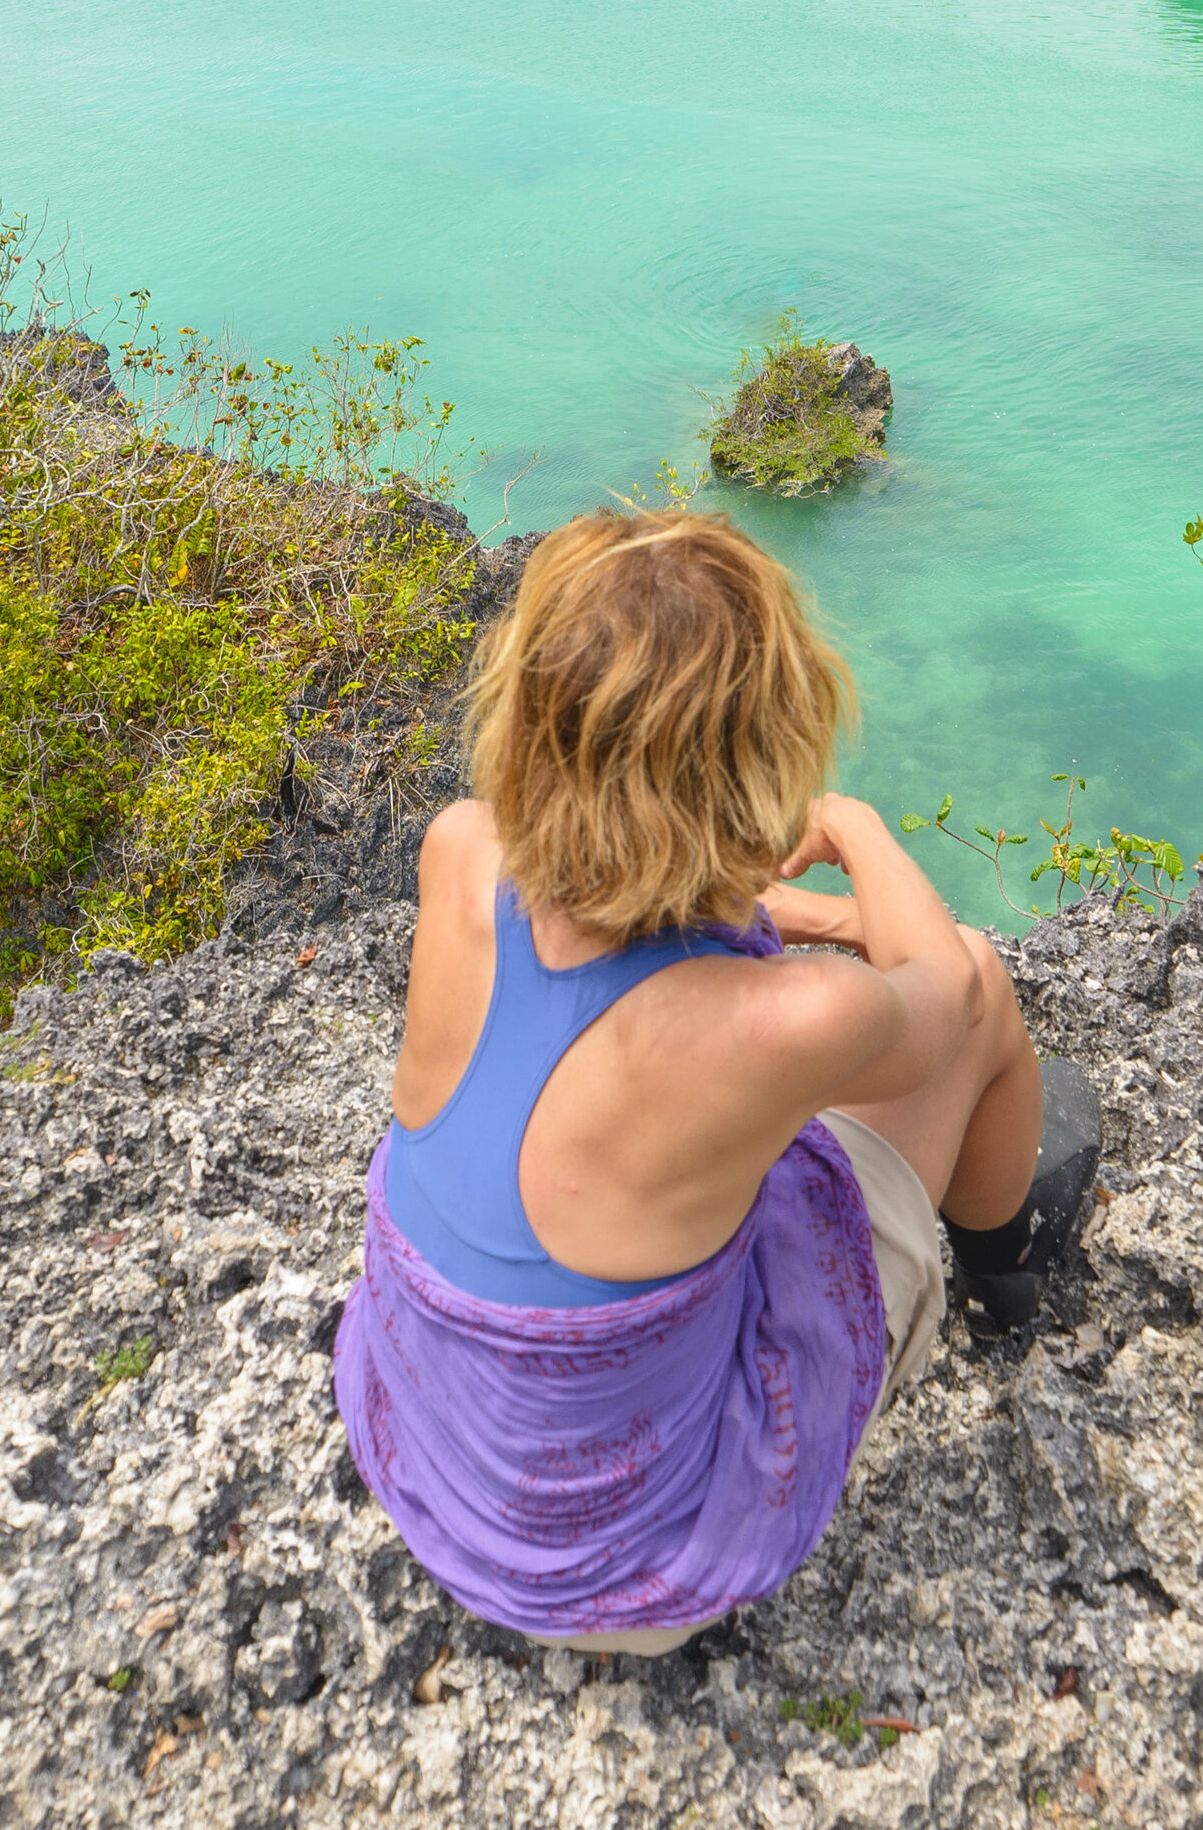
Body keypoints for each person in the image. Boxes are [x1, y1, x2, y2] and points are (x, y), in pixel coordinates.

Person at [333, 508, 1102, 1651]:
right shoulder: (785, 1025)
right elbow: (938, 986)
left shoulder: (458, 852)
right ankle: (1005, 1272)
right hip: (634, 1565)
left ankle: (991, 1258)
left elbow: (617, 920)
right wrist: (856, 830)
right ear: (763, 754)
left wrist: (781, 907)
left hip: (435, 1455)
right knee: (990, 981)